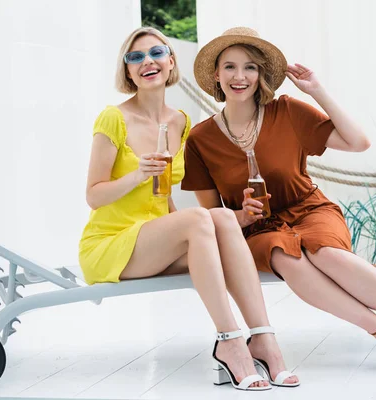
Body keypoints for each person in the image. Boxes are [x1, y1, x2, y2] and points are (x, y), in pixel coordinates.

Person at [182, 27, 376, 372]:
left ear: (261, 75)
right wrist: (242, 216)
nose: (239, 76)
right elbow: (212, 214)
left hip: (310, 209)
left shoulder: (286, 111)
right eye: (229, 67)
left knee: (327, 253)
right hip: (256, 229)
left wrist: (316, 90)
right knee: (287, 258)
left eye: (250, 67)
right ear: (216, 75)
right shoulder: (200, 139)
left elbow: (358, 142)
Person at [78, 27, 300, 390]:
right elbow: (93, 195)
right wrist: (138, 174)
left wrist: (196, 228)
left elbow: (163, 199)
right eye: (135, 58)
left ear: (170, 61)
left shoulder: (180, 121)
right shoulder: (112, 119)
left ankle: (263, 338)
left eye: (155, 53)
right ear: (128, 71)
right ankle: (230, 341)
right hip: (111, 244)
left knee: (223, 217)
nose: (146, 62)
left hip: (153, 241)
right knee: (200, 218)